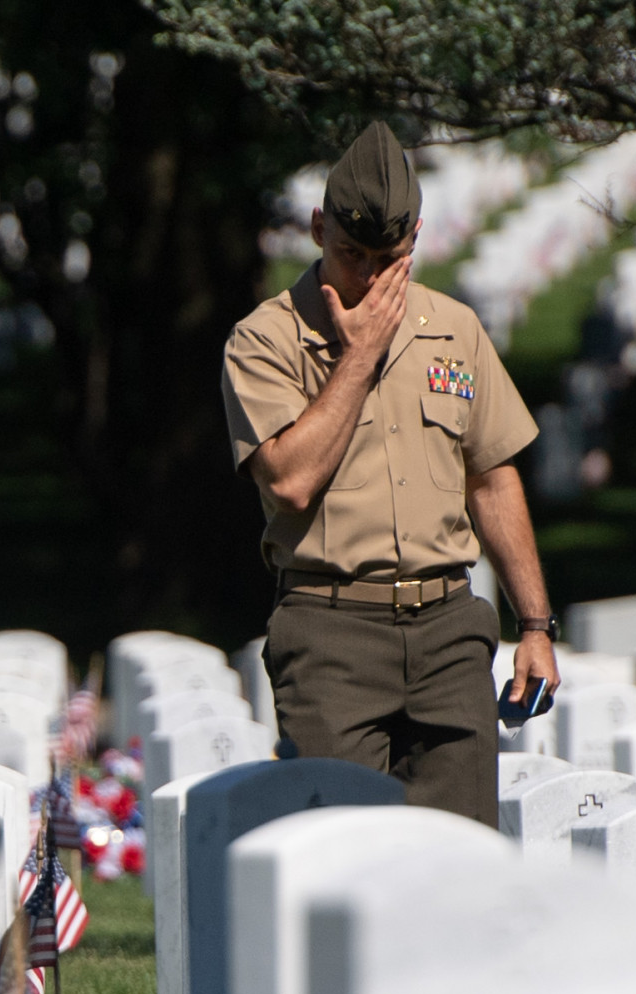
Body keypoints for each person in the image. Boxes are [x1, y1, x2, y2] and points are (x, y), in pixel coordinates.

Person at [220, 121, 558, 826]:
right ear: (318, 229)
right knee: (342, 858)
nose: (371, 279)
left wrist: (533, 624)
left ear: (417, 239)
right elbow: (289, 481)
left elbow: (492, 477)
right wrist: (359, 357)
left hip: (447, 628)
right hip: (331, 630)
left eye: (390, 258)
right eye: (352, 255)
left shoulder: (454, 329)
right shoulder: (266, 339)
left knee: (462, 859)